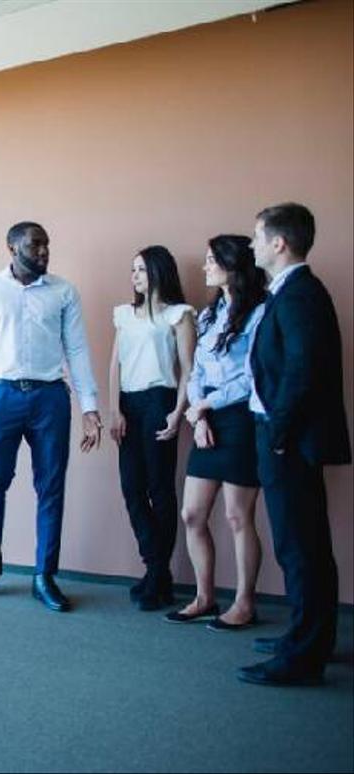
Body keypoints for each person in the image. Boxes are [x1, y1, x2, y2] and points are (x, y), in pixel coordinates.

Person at [0, 222, 102, 612]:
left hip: (50, 398)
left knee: (51, 486)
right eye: (35, 245)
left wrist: (89, 407)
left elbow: (77, 350)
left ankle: (44, 575)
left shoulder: (64, 292)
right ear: (12, 248)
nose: (44, 251)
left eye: (47, 245)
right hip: (3, 396)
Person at [237, 203, 351, 686]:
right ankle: (307, 638)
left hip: (288, 440)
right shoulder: (291, 291)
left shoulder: (300, 294)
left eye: (257, 236)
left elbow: (303, 372)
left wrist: (279, 432)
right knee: (303, 544)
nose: (252, 245)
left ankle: (303, 657)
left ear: (279, 243)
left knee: (300, 547)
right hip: (284, 435)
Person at [164, 235, 267, 631]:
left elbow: (253, 376)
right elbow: (195, 371)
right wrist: (199, 413)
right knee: (192, 514)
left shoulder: (260, 311)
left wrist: (208, 404)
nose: (205, 266)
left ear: (232, 265)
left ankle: (244, 603)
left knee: (238, 516)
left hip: (241, 418)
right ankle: (204, 597)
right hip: (206, 417)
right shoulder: (209, 314)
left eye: (211, 260)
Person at [109, 246, 196, 610]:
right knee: (132, 488)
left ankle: (156, 575)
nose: (135, 276)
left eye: (142, 270)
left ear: (160, 272)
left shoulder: (178, 315)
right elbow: (115, 365)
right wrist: (114, 409)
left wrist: (178, 412)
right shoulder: (123, 315)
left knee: (160, 489)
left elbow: (188, 370)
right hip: (129, 404)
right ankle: (158, 570)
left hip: (160, 400)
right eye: (133, 270)